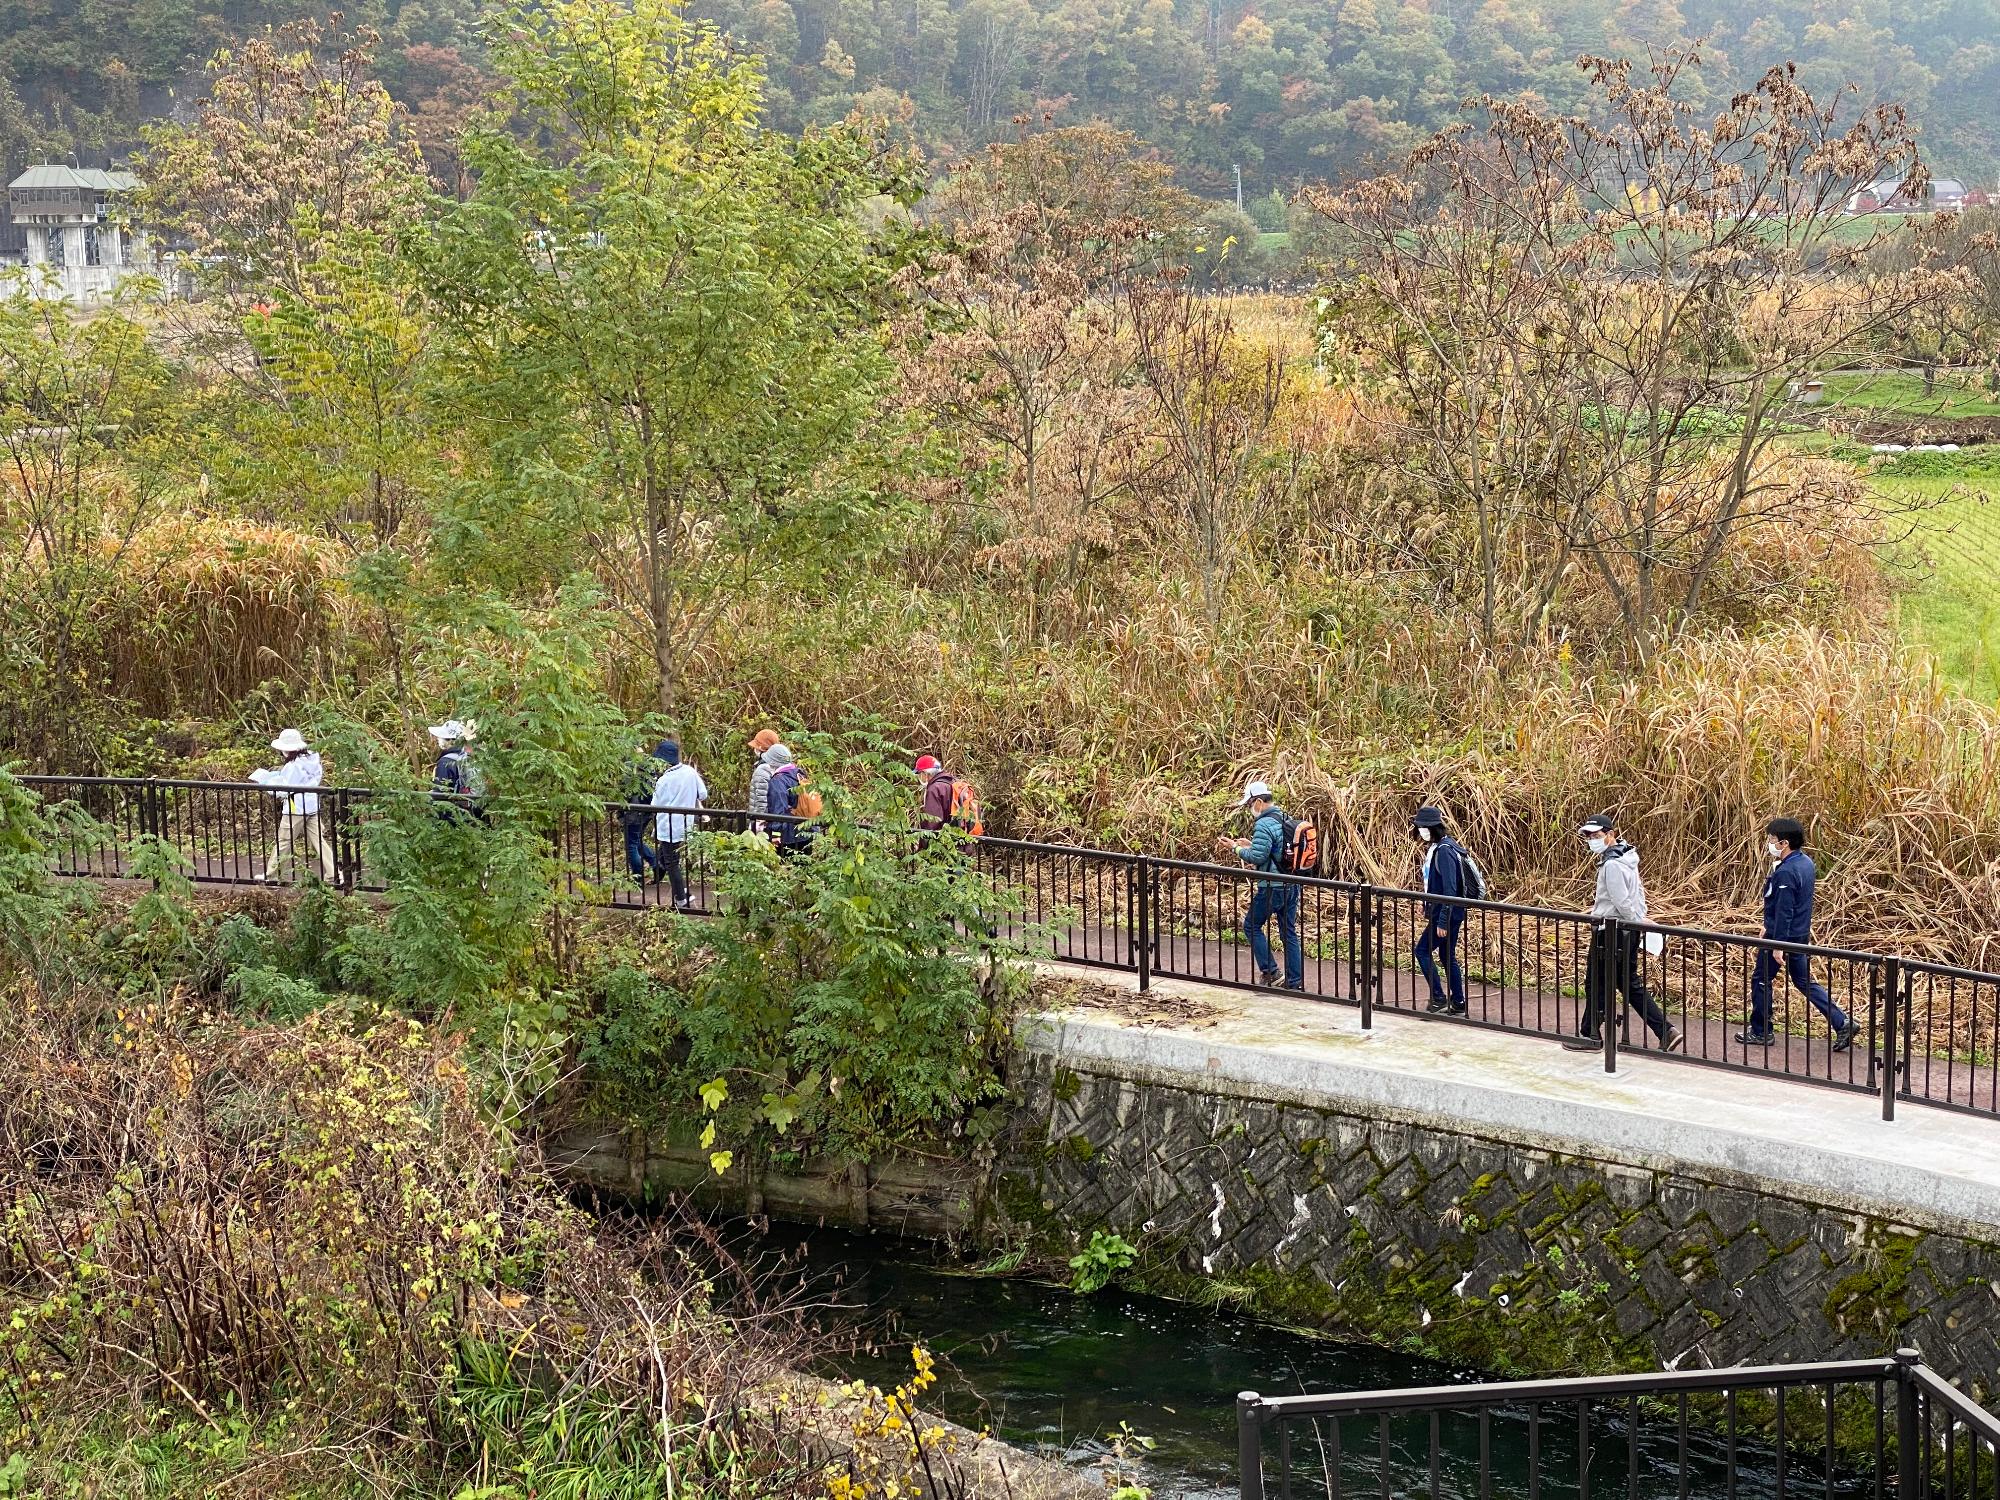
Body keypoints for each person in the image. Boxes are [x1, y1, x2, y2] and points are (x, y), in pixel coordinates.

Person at [1563, 813, 1683, 1054]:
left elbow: (1621, 901)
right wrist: (1638, 920)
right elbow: (1635, 896)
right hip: (1626, 930)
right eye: (1588, 836)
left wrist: (1636, 919)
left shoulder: (1612, 865)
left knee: (1596, 982)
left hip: (1612, 930)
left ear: (1610, 834)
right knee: (1626, 982)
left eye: (1596, 835)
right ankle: (1665, 1031)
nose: (1591, 840)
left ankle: (1591, 1036)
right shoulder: (1627, 857)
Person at [1741, 817, 1860, 1052]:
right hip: (1799, 934)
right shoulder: (1805, 863)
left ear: (1784, 843)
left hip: (1783, 936)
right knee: (1803, 981)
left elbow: (1786, 910)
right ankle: (1842, 1021)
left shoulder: (1786, 872)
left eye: (1772, 840)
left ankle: (1760, 1031)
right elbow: (1789, 905)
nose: (1769, 843)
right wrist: (1768, 923)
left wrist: (1777, 945)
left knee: (1761, 979)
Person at [1230, 780, 1304, 991]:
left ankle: (1270, 972)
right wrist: (1251, 845)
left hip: (1272, 886)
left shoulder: (1263, 823)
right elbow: (1276, 852)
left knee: (1251, 925)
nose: (1249, 809)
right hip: (1291, 883)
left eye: (1249, 804)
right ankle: (1294, 981)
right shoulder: (1284, 817)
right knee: (1288, 932)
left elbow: (1257, 856)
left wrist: (1236, 848)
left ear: (1259, 801)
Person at [252, 728, 335, 884]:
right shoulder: (312, 758)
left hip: (295, 807)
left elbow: (283, 790)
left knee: (284, 841)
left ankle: (272, 876)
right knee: (319, 841)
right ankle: (334, 874)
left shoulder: (293, 766)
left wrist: (265, 781)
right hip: (311, 804)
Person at [1411, 806, 1469, 1016]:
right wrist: (1426, 902)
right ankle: (1458, 1001)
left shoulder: (1443, 850)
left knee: (1422, 951)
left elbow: (1450, 888)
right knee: (1446, 955)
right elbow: (1435, 881)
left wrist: (1443, 920)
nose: (1420, 831)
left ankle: (1438, 997)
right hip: (1451, 912)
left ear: (1431, 828)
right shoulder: (1444, 846)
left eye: (1422, 827)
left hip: (1447, 914)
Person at [650, 740, 708, 910]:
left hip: (666, 826)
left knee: (671, 862)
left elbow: (654, 805)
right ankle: (681, 889)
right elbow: (703, 794)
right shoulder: (690, 772)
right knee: (666, 857)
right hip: (685, 823)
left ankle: (681, 899)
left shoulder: (664, 780)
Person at [619, 742, 669, 885]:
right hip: (646, 811)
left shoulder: (630, 768)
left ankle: (638, 876)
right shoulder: (650, 768)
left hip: (633, 812)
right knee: (637, 841)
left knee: (631, 846)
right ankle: (656, 864)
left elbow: (625, 790)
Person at [915, 754, 982, 835]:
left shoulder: (934, 789)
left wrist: (923, 844)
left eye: (920, 774)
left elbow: (932, 823)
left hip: (945, 843)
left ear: (925, 774)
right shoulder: (954, 782)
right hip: (964, 841)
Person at [746, 728, 782, 826]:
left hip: (764, 823)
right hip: (778, 821)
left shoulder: (762, 769)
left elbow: (761, 800)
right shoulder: (781, 765)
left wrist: (756, 823)